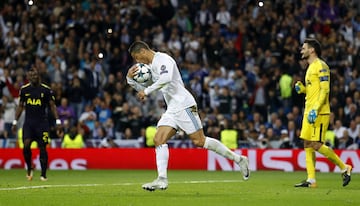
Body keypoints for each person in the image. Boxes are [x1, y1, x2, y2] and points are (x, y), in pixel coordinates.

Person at [126, 41, 249, 191]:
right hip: (172, 108)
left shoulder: (163, 59)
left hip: (184, 104)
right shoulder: (151, 67)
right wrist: (130, 80)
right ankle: (162, 179)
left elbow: (165, 80)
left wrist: (147, 91)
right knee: (158, 139)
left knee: (199, 141)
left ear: (143, 51)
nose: (137, 61)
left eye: (136, 57)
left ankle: (239, 159)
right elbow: (144, 88)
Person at [294, 38, 352, 188]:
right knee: (307, 143)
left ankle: (344, 168)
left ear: (312, 50)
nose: (302, 50)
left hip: (319, 112)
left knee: (316, 144)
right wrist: (304, 90)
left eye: (304, 48)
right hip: (309, 111)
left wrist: (316, 108)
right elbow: (315, 90)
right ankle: (311, 180)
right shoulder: (310, 67)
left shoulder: (321, 66)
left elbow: (325, 90)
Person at [12, 66, 61, 181]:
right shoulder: (24, 90)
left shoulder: (46, 90)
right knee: (26, 146)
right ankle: (29, 168)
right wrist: (15, 121)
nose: (33, 77)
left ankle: (43, 174)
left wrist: (58, 121)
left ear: (38, 76)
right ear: (28, 77)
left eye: (35, 75)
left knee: (43, 148)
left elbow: (52, 106)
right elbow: (20, 106)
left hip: (42, 123)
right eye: (31, 75)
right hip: (29, 123)